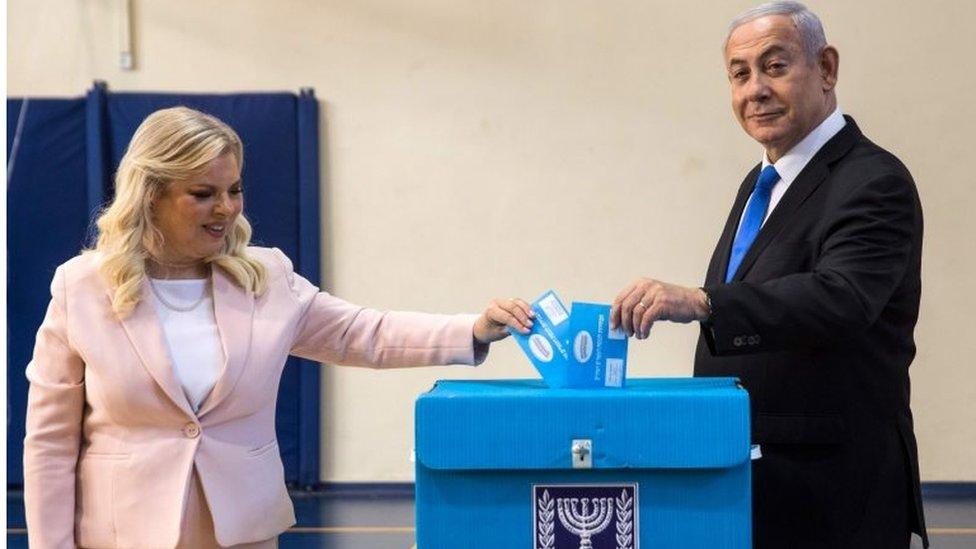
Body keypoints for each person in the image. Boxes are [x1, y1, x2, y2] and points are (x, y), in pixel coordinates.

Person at [23, 106, 535, 548]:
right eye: (203, 193)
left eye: (234, 189)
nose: (225, 208)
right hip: (120, 534)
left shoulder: (267, 277)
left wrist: (473, 328)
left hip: (244, 528)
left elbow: (365, 333)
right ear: (150, 194)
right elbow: (49, 442)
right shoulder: (80, 287)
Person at [609, 2, 926, 547]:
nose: (754, 89)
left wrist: (704, 302)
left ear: (826, 69)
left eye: (774, 67)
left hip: (834, 495)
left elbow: (841, 298)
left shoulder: (874, 180)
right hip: (752, 480)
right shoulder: (761, 184)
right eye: (739, 74)